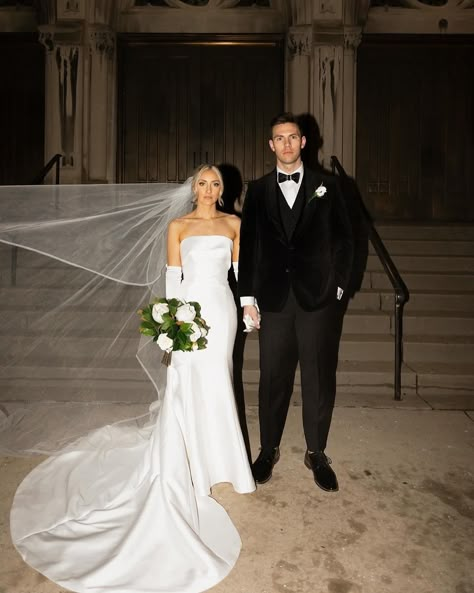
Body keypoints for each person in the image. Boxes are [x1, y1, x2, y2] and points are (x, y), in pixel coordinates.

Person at [8, 165, 255, 593]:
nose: (209, 189)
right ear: (192, 187)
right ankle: (189, 462)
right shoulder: (177, 226)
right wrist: (174, 323)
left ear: (223, 189)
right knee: (183, 386)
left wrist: (250, 306)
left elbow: (241, 275)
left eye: (216, 184)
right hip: (189, 315)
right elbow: (173, 278)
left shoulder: (235, 223)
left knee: (220, 384)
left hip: (222, 313)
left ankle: (223, 462)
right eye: (203, 182)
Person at [238, 112, 354, 492]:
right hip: (272, 299)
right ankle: (268, 449)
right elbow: (250, 246)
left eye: (292, 137)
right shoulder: (256, 190)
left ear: (304, 142)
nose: (286, 144)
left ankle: (316, 453)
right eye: (279, 138)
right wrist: (247, 298)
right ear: (270, 145)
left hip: (316, 298)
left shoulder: (329, 186)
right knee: (272, 378)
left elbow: (345, 241)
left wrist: (337, 288)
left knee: (318, 376)